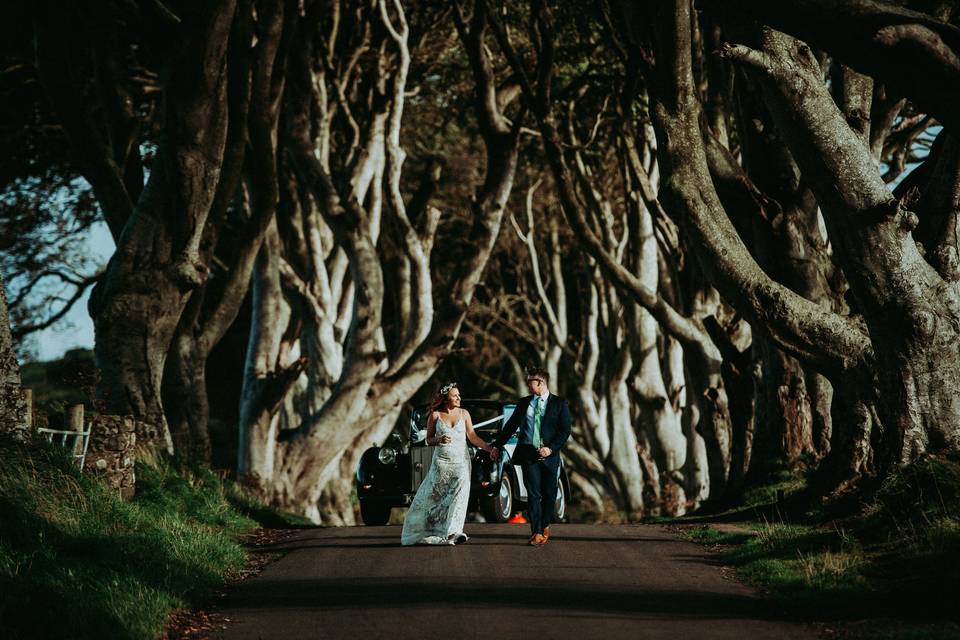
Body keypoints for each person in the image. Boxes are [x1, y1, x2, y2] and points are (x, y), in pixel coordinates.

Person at [401, 382, 494, 546]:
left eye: (459, 395)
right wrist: (438, 439)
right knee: (435, 498)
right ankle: (428, 530)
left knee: (459, 497)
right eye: (455, 396)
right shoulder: (435, 416)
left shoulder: (464, 414)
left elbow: (472, 436)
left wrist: (489, 448)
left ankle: (454, 532)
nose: (459, 398)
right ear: (446, 399)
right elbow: (428, 440)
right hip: (441, 464)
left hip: (461, 463)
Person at [490, 367, 572, 547]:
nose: (527, 386)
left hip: (550, 456)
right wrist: (496, 446)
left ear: (540, 383)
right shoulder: (523, 403)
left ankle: (545, 526)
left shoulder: (560, 404)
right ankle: (536, 531)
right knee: (533, 494)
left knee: (549, 494)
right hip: (528, 454)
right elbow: (510, 426)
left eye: (530, 383)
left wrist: (550, 449)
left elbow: (565, 431)